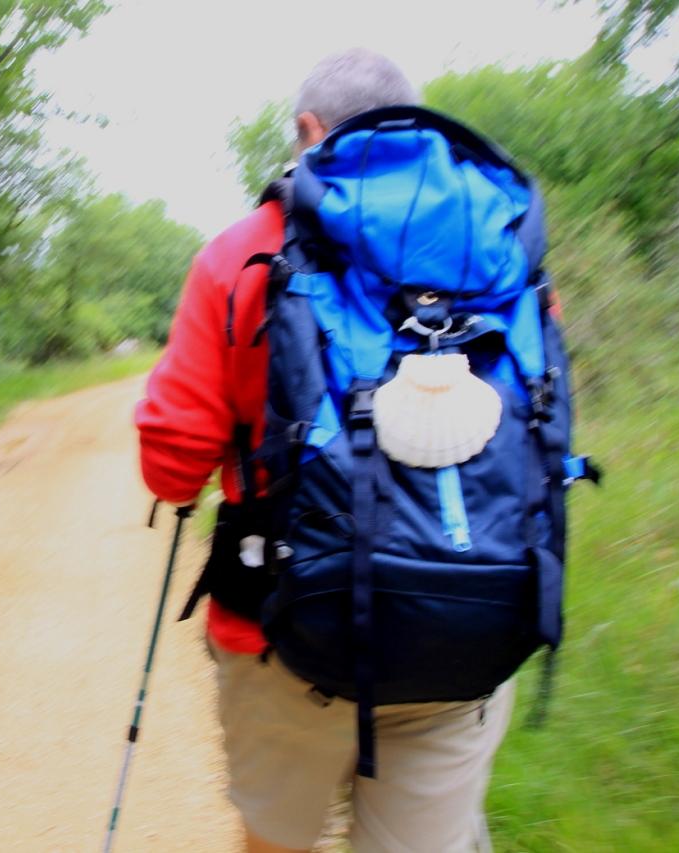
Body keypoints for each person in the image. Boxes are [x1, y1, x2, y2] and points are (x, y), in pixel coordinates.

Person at [136, 50, 517, 852]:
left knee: (278, 840)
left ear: (309, 132)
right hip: (469, 614)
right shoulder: (497, 238)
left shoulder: (242, 251)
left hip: (286, 629)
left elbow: (172, 469)